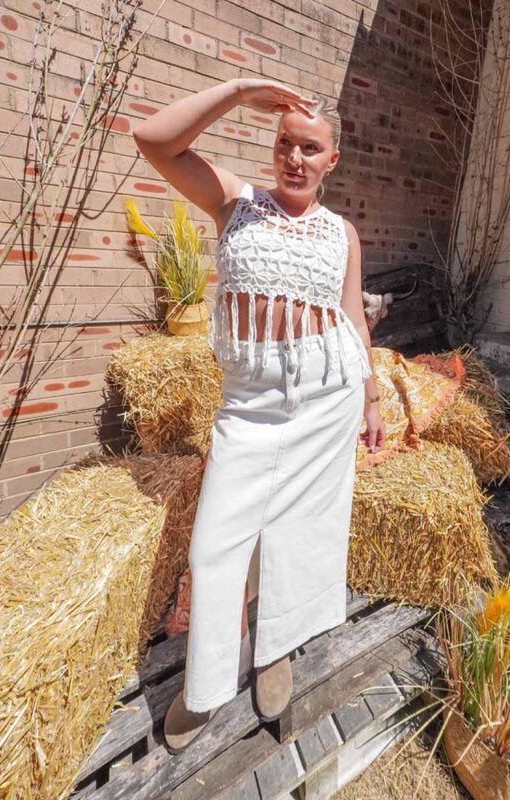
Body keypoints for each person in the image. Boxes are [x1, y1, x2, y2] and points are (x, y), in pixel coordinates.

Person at [132, 77, 386, 752]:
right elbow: (153, 139)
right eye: (285, 145)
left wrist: (372, 395)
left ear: (333, 158)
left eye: (311, 148)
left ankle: (277, 648)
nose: (295, 158)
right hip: (249, 407)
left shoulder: (343, 234)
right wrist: (242, 92)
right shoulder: (237, 202)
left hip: (325, 404)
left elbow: (352, 315)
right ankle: (206, 684)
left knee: (301, 536)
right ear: (272, 148)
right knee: (216, 548)